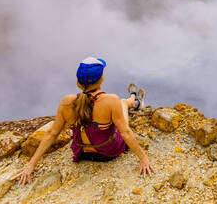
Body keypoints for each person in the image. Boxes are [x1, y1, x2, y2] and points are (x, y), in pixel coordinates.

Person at [12, 57, 155, 188]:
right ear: (101, 79)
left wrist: (30, 166)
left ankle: (133, 98)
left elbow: (52, 133)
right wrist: (143, 158)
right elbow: (126, 132)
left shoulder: (67, 101)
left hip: (82, 154)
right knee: (122, 103)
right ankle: (135, 101)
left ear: (78, 82)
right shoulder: (110, 100)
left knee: (118, 106)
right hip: (108, 152)